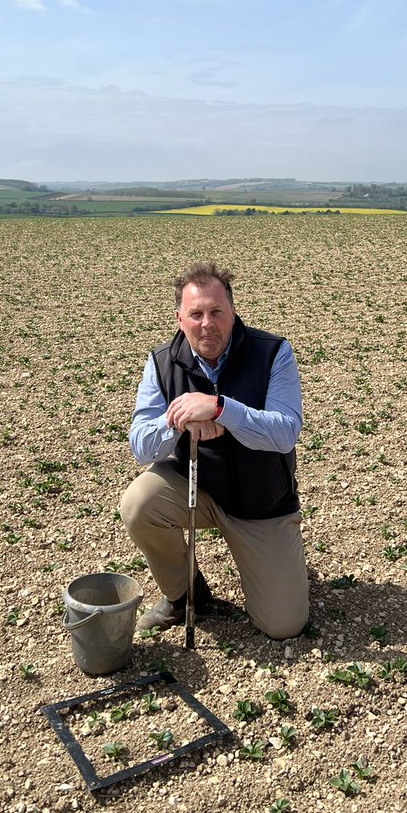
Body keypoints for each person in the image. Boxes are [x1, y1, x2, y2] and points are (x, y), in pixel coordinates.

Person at [120, 262, 309, 640]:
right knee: (139, 503)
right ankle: (186, 595)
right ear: (179, 318)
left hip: (261, 503)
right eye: (196, 314)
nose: (207, 323)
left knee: (284, 625)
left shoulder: (273, 353)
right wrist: (179, 418)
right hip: (198, 489)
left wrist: (221, 408)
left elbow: (285, 432)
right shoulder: (160, 363)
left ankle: (274, 564)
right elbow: (141, 445)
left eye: (216, 311)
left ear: (233, 312)